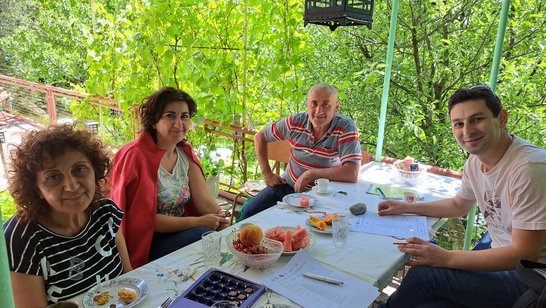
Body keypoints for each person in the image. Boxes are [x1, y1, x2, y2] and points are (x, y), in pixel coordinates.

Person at [378, 84, 546, 307]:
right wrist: (404, 206)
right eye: (459, 123)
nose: (467, 131)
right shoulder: (475, 162)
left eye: (477, 119)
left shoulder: (530, 168)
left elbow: (525, 253)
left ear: (502, 118)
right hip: (503, 254)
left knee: (425, 275)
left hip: (532, 278)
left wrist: (446, 257)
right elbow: (458, 205)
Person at [3, 124, 132, 306]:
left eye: (79, 169)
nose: (71, 186)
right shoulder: (21, 238)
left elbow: (131, 282)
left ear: (94, 170)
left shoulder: (106, 212)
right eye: (54, 177)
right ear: (36, 188)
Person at [110, 87, 229, 268]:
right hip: (147, 241)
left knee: (222, 236)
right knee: (205, 237)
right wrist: (200, 222)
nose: (178, 123)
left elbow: (204, 201)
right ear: (154, 121)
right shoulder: (136, 156)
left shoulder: (184, 153)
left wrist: (219, 218)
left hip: (181, 229)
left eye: (184, 116)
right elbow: (143, 220)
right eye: (170, 116)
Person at [240, 83, 362, 219]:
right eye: (314, 104)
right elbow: (260, 137)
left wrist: (312, 174)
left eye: (326, 104)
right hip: (287, 187)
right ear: (307, 105)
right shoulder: (295, 122)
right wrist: (267, 173)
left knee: (310, 229)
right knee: (249, 213)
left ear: (336, 107)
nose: (319, 111)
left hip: (322, 195)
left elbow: (352, 172)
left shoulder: (345, 127)